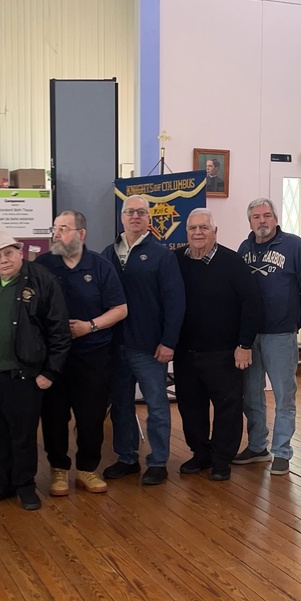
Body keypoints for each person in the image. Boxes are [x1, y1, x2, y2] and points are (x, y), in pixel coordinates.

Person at [0, 231, 70, 511]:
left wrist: (51, 371)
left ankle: (25, 486)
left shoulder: (41, 280)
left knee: (22, 435)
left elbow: (59, 331)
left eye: (9, 253)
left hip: (21, 375)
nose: (4, 259)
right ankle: (4, 483)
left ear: (19, 252)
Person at [35, 211, 126, 496]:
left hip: (93, 355)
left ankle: (87, 469)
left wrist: (90, 326)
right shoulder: (43, 265)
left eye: (64, 229)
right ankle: (59, 471)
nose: (57, 234)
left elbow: (121, 309)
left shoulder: (100, 266)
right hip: (54, 358)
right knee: (54, 416)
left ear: (81, 234)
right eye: (55, 229)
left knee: (91, 416)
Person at [174, 210, 263, 481]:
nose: (198, 232)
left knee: (228, 408)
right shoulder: (175, 260)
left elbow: (252, 304)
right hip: (185, 351)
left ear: (215, 231)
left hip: (225, 352)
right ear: (186, 232)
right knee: (190, 407)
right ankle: (201, 454)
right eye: (193, 228)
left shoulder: (233, 262)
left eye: (204, 227)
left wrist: (244, 344)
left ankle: (222, 460)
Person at [233, 198, 301, 476]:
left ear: (275, 219)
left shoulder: (294, 246)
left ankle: (282, 452)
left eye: (267, 215)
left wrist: (295, 320)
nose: (262, 221)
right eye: (256, 216)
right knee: (252, 394)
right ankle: (258, 446)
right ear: (249, 222)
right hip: (248, 336)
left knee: (284, 396)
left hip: (281, 334)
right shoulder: (244, 249)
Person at [105, 195, 185, 486]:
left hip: (151, 348)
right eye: (130, 212)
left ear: (149, 219)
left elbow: (175, 303)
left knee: (157, 406)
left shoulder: (162, 255)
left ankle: (158, 461)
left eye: (141, 212)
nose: (135, 216)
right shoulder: (108, 254)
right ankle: (127, 458)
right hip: (116, 345)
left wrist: (169, 342)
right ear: (122, 216)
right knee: (121, 405)